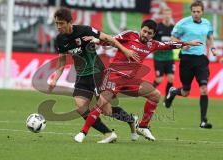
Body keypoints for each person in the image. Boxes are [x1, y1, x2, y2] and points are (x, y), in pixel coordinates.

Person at [74, 19, 202, 143]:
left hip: (130, 81)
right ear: (141, 29)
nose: (145, 35)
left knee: (155, 95)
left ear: (153, 35)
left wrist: (187, 43)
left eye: (149, 33)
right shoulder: (129, 35)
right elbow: (112, 40)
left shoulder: (152, 44)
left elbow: (169, 45)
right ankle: (83, 132)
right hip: (114, 76)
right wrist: (97, 40)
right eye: (144, 31)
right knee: (102, 105)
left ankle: (143, 126)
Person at [48, 7, 140, 143]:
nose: (58, 26)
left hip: (96, 72)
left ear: (69, 22)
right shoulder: (60, 40)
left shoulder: (85, 30)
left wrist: (125, 50)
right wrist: (54, 79)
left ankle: (131, 120)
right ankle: (108, 134)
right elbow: (61, 62)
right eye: (56, 23)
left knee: (107, 110)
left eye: (61, 23)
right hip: (81, 75)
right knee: (80, 108)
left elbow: (109, 38)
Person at [164, 1, 217, 129]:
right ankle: (173, 92)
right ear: (191, 11)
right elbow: (172, 39)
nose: (196, 14)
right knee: (186, 92)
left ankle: (203, 121)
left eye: (198, 11)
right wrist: (184, 43)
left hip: (201, 60)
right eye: (194, 11)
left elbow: (209, 37)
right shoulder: (183, 23)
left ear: (202, 12)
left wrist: (213, 48)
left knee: (204, 89)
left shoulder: (207, 23)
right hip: (186, 60)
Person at [153, 8, 175, 99]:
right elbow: (152, 40)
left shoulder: (173, 28)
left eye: (168, 14)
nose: (167, 16)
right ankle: (148, 92)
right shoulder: (158, 27)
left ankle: (167, 98)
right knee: (159, 79)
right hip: (159, 58)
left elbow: (176, 40)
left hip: (169, 57)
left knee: (171, 78)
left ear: (171, 15)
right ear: (163, 15)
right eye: (165, 14)